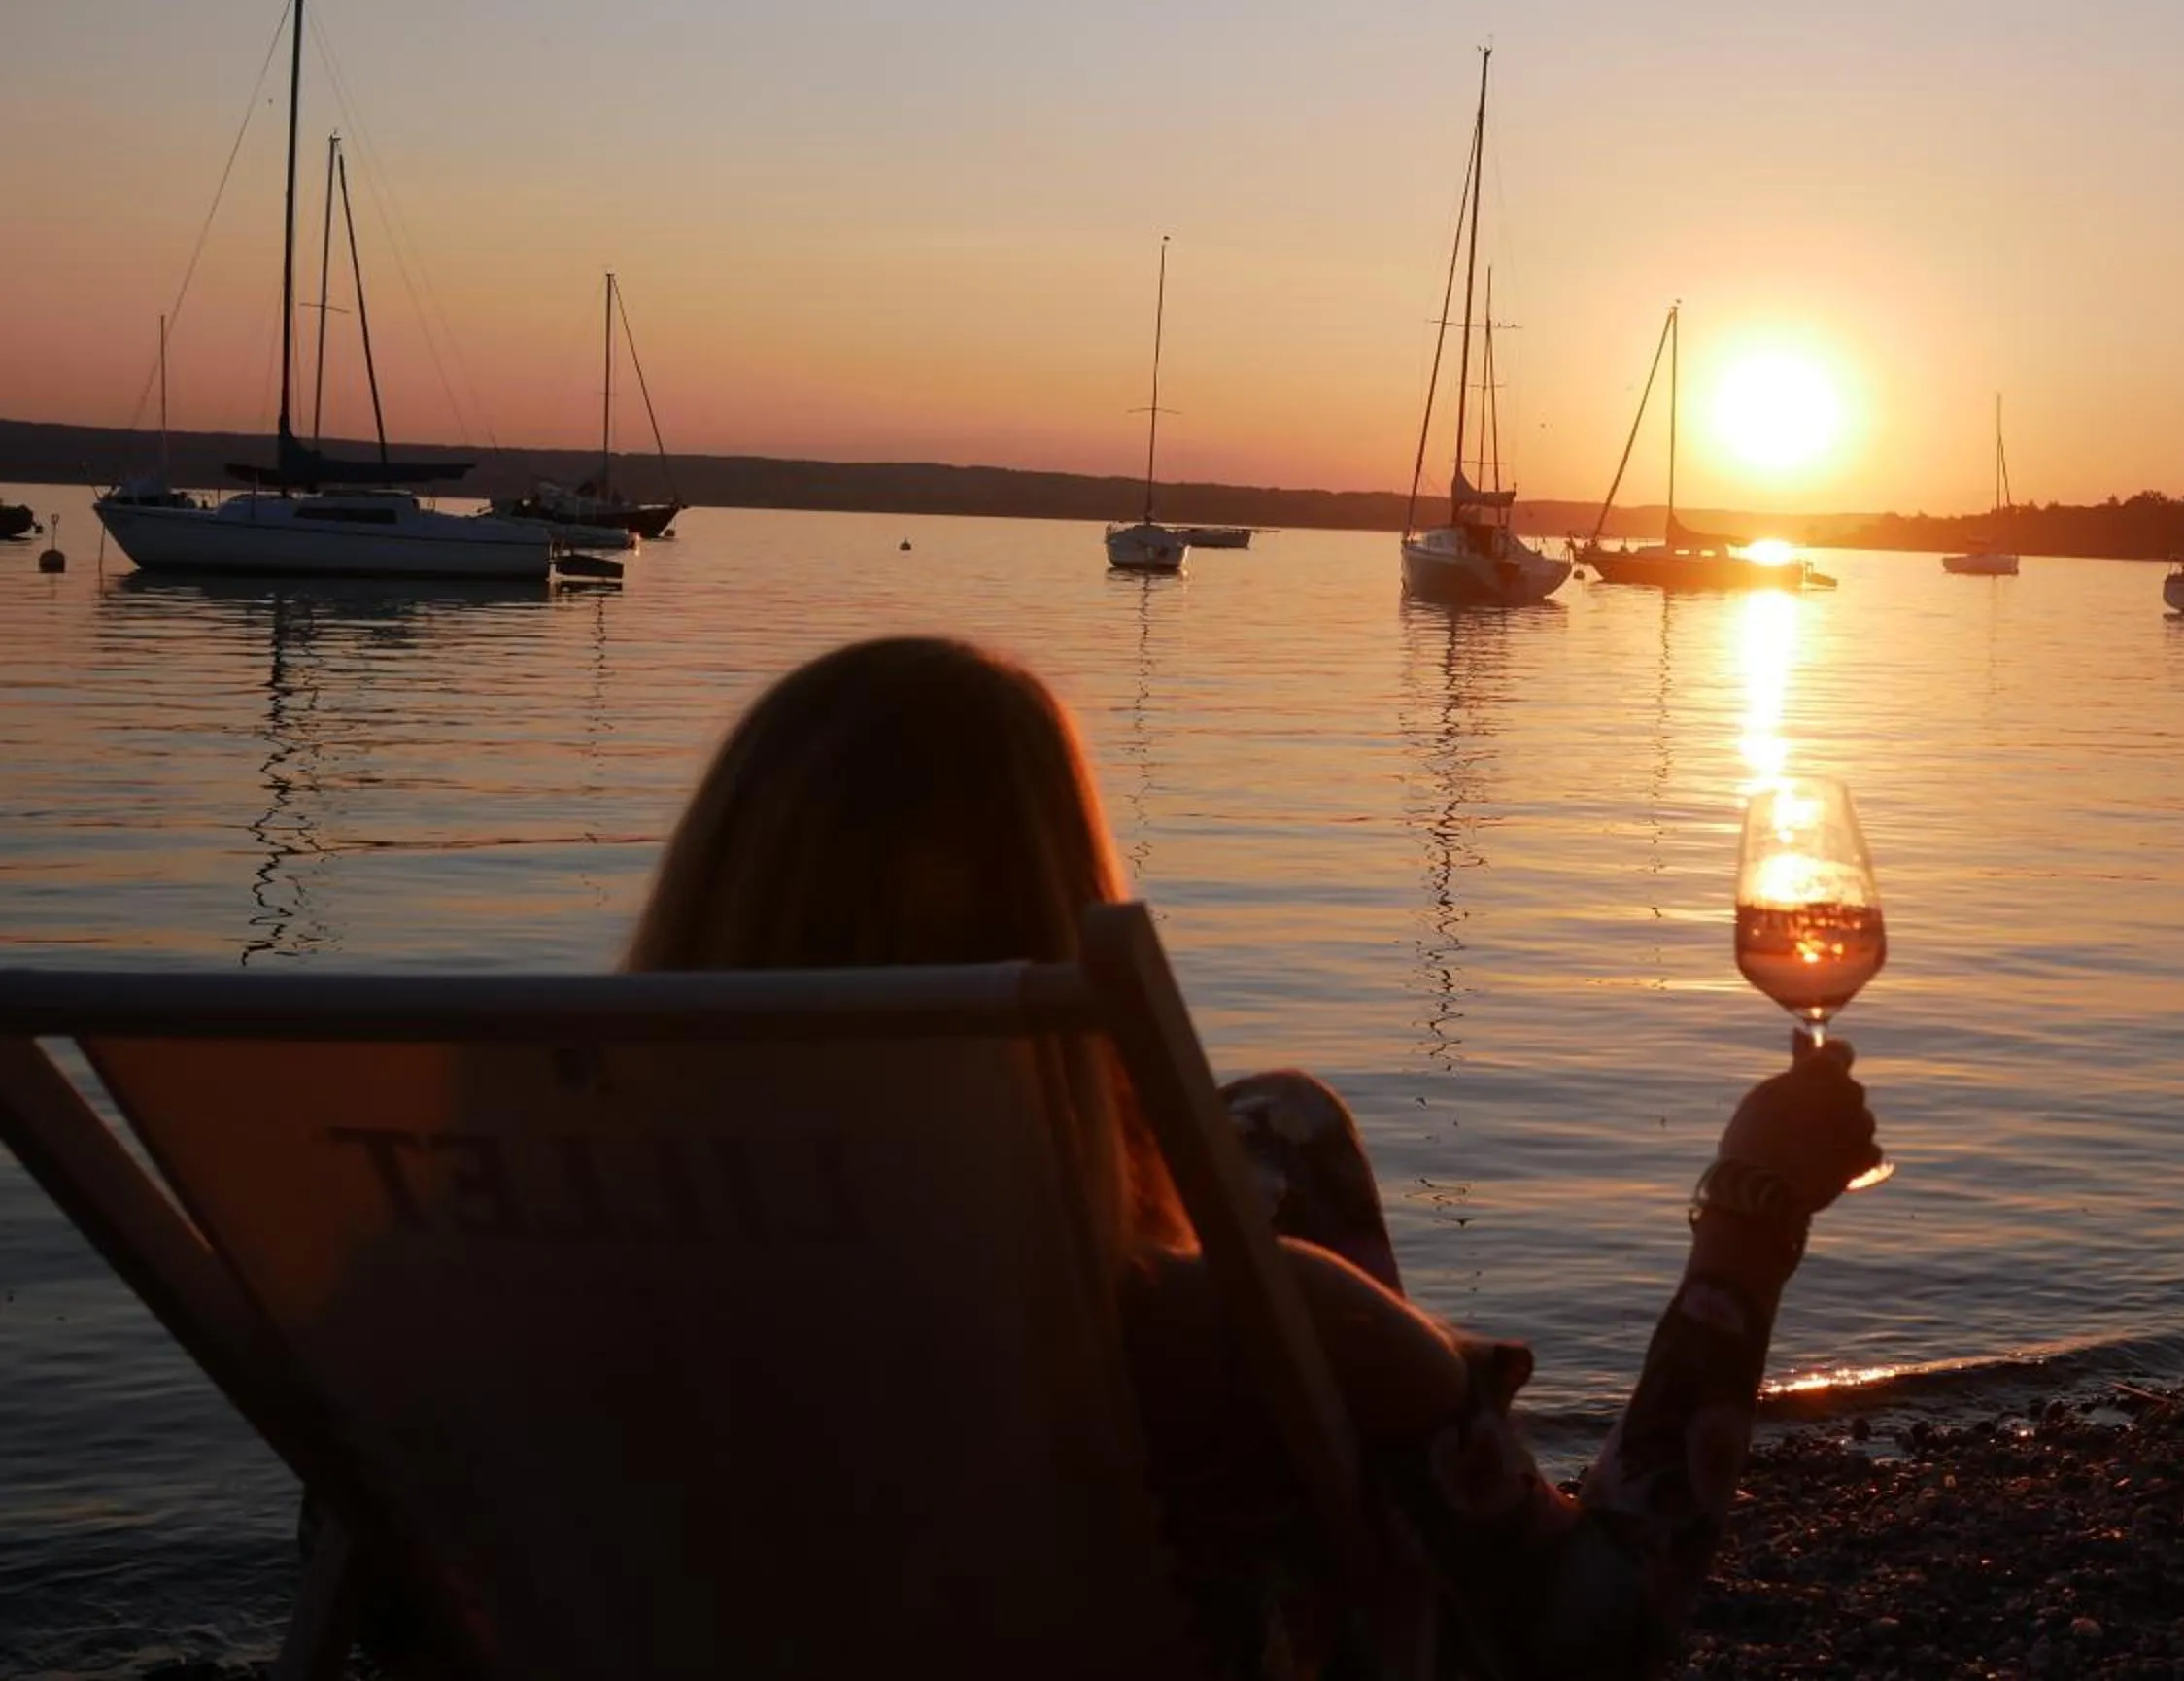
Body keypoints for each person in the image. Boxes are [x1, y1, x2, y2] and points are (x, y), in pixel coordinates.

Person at [626, 635, 1880, 1680]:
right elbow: (1602, 1632)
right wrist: (1749, 1215)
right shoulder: (1225, 1328)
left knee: (1282, 1122)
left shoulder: (513, 1294)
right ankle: (1438, 1450)